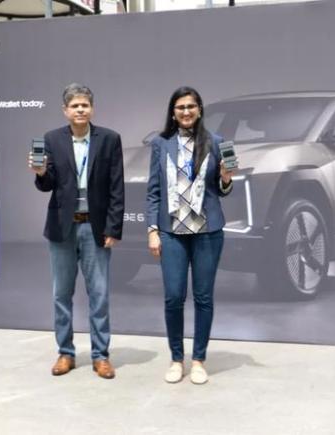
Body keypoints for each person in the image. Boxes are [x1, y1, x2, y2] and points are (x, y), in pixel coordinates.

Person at [28, 83, 124, 379]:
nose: (80, 109)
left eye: (85, 105)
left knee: (99, 294)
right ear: (65, 110)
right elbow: (48, 185)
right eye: (75, 105)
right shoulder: (52, 139)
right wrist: (41, 173)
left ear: (91, 108)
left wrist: (113, 228)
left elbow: (116, 187)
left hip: (96, 228)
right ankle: (65, 353)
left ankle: (101, 355)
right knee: (61, 294)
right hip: (62, 228)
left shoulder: (109, 139)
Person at [145, 86, 236, 384]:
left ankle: (198, 360)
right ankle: (176, 359)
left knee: (203, 297)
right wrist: (152, 230)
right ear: (173, 112)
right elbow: (153, 191)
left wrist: (226, 179)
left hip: (207, 232)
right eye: (180, 107)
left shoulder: (216, 142)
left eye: (191, 106)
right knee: (173, 297)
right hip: (171, 232)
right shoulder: (161, 143)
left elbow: (222, 190)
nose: (186, 111)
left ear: (199, 110)